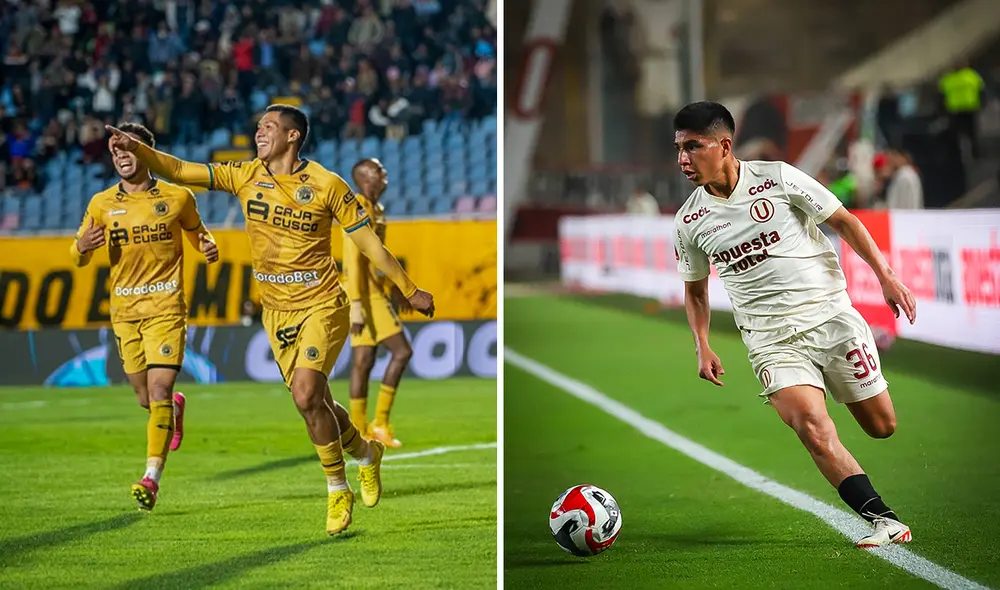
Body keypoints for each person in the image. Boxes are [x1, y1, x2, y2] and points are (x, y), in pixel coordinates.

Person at [106, 104, 435, 535]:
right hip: (276, 312)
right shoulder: (244, 175)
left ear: (293, 136)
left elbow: (370, 244)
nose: (259, 132)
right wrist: (141, 152)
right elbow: (182, 171)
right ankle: (367, 454)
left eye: (268, 127)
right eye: (258, 125)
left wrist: (409, 288)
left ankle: (337, 490)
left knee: (304, 395)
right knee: (316, 402)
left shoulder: (326, 185)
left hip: (322, 304)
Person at [671, 102, 917, 548]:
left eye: (693, 147)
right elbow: (696, 290)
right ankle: (883, 519)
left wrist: (887, 276)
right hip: (771, 341)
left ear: (724, 146)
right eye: (679, 149)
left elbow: (843, 220)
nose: (683, 159)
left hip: (831, 318)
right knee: (811, 427)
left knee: (882, 426)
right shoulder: (689, 220)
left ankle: (839, 382)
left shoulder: (779, 177)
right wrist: (701, 344)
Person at [71, 122, 219, 511]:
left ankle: (150, 478)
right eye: (115, 150)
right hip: (125, 312)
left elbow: (195, 231)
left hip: (166, 308)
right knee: (145, 398)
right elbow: (78, 256)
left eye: (127, 149)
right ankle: (175, 408)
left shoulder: (177, 196)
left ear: (145, 153)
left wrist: (206, 244)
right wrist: (81, 247)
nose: (120, 155)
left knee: (158, 392)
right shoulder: (101, 203)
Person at [343, 158, 412, 448]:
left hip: (373, 292)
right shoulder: (356, 209)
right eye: (379, 171)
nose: (385, 175)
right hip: (364, 295)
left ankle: (357, 430)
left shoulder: (376, 209)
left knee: (363, 361)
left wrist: (394, 286)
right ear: (366, 177)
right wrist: (356, 304)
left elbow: (375, 259)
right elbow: (352, 259)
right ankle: (379, 423)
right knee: (402, 352)